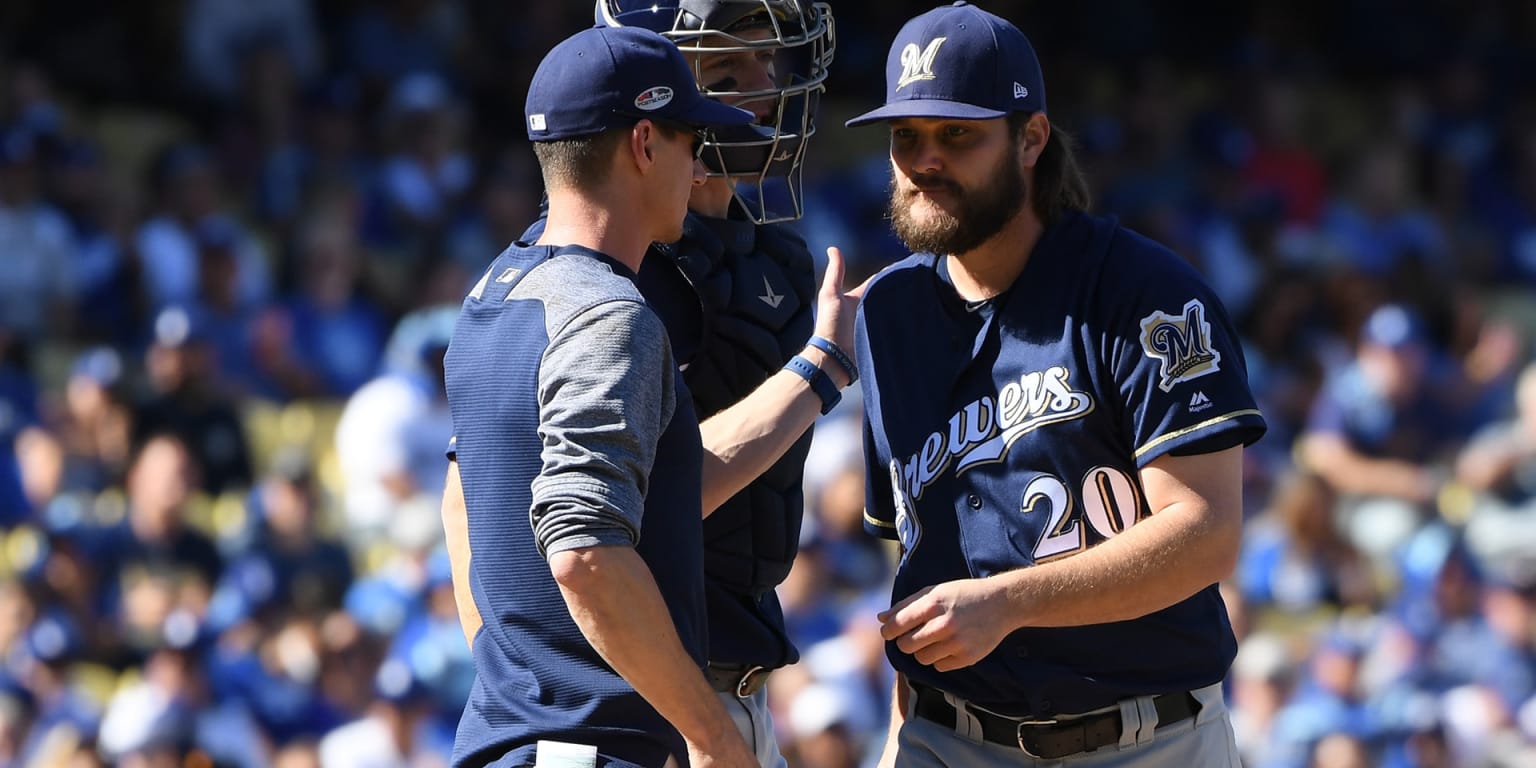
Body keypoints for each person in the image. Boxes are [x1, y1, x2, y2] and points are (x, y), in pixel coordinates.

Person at [844, 3, 1267, 766]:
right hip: (947, 737)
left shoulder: (1142, 292)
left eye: (957, 134)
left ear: (1032, 138)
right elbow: (914, 563)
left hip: (1145, 738)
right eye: (906, 137)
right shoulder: (886, 312)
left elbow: (1207, 531)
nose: (924, 160)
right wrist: (896, 732)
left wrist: (1009, 602)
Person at [441, 24, 859, 768]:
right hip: (601, 745)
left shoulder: (491, 295)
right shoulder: (610, 314)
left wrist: (517, 676)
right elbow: (584, 552)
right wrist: (711, 732)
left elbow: (462, 501)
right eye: (688, 137)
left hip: (523, 740)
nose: (698, 160)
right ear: (642, 145)